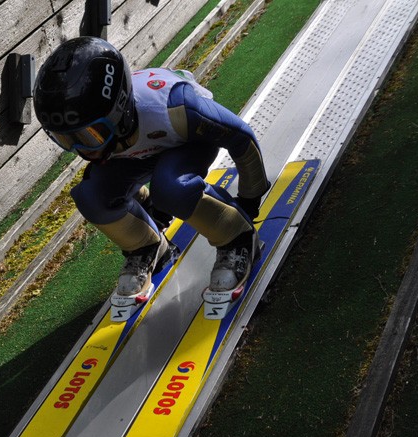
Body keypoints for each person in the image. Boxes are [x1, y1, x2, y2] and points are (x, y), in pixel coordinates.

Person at [32, 36, 270, 305]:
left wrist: (250, 198)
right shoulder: (110, 124)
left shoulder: (175, 106)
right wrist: (147, 205)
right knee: (90, 196)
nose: (81, 149)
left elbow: (241, 137)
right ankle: (147, 246)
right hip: (133, 152)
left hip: (187, 144)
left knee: (170, 188)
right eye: (65, 139)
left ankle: (238, 237)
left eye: (89, 136)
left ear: (119, 111)